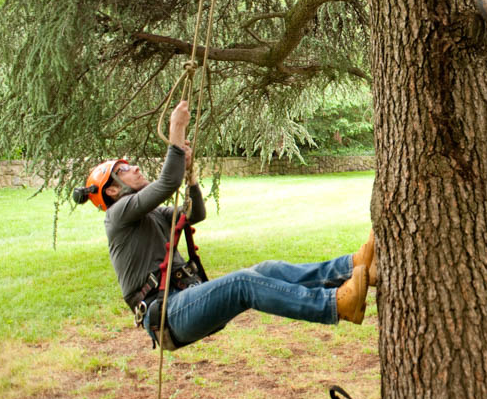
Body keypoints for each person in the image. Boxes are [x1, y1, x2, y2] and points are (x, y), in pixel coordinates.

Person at [74, 100, 377, 349]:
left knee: (267, 269)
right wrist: (176, 130)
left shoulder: (148, 215)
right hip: (169, 314)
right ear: (112, 191)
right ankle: (335, 306)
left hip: (185, 301)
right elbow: (167, 182)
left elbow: (194, 214)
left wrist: (191, 175)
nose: (134, 167)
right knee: (244, 283)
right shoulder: (118, 215)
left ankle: (351, 266)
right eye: (124, 170)